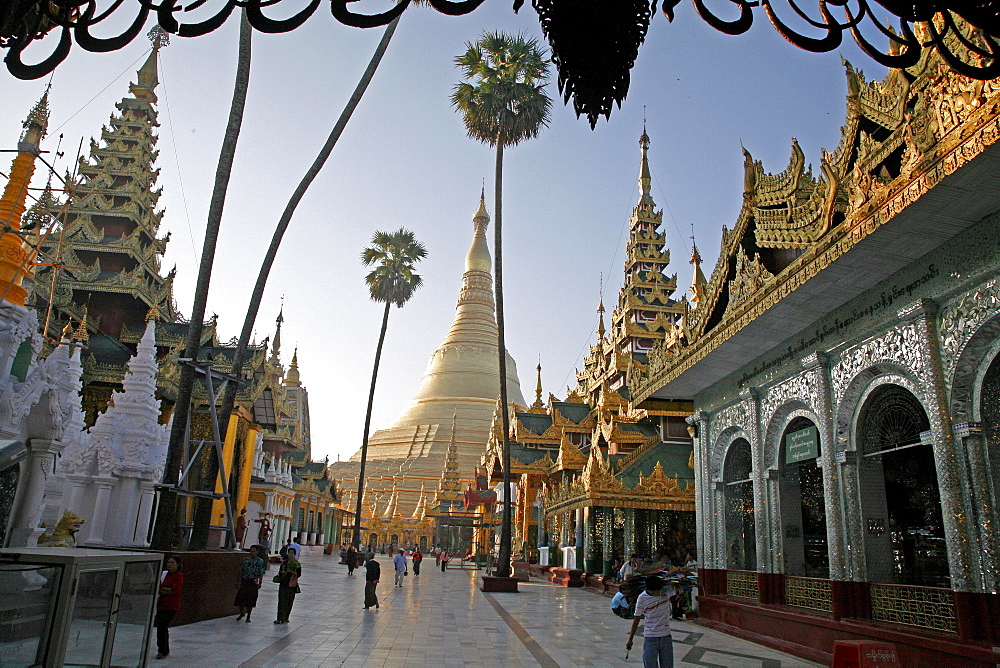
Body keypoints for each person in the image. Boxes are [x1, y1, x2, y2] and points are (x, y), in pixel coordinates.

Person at [625, 568, 687, 667]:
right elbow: (636, 619)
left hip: (665, 636)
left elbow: (680, 585)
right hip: (650, 637)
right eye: (654, 592)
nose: (656, 594)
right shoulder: (642, 598)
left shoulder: (665, 591)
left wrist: (677, 572)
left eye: (658, 591)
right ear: (648, 589)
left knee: (667, 665)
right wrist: (630, 639)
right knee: (649, 664)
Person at [155, 555, 184, 660]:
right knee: (160, 626)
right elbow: (159, 588)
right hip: (161, 604)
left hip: (172, 605)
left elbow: (175, 591)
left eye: (172, 563)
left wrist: (165, 590)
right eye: (168, 562)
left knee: (163, 625)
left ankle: (163, 650)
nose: (170, 565)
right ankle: (162, 649)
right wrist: (166, 589)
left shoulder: (179, 576)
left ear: (177, 565)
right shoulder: (164, 574)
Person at [234, 545, 265, 622]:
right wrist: (238, 581)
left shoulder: (260, 561)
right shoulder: (246, 560)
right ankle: (241, 612)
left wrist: (260, 582)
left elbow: (261, 572)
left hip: (253, 581)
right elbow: (241, 570)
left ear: (257, 552)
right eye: (251, 551)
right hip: (245, 580)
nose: (252, 553)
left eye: (254, 551)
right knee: (240, 598)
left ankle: (249, 615)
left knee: (251, 599)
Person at [274, 552, 301, 624]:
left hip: (292, 585)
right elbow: (280, 572)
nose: (290, 554)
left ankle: (286, 617)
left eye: (292, 553)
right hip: (283, 584)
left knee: (289, 601)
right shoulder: (284, 563)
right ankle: (279, 618)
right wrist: (282, 573)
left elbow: (298, 574)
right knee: (281, 601)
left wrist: (291, 572)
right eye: (289, 553)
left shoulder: (296, 564)